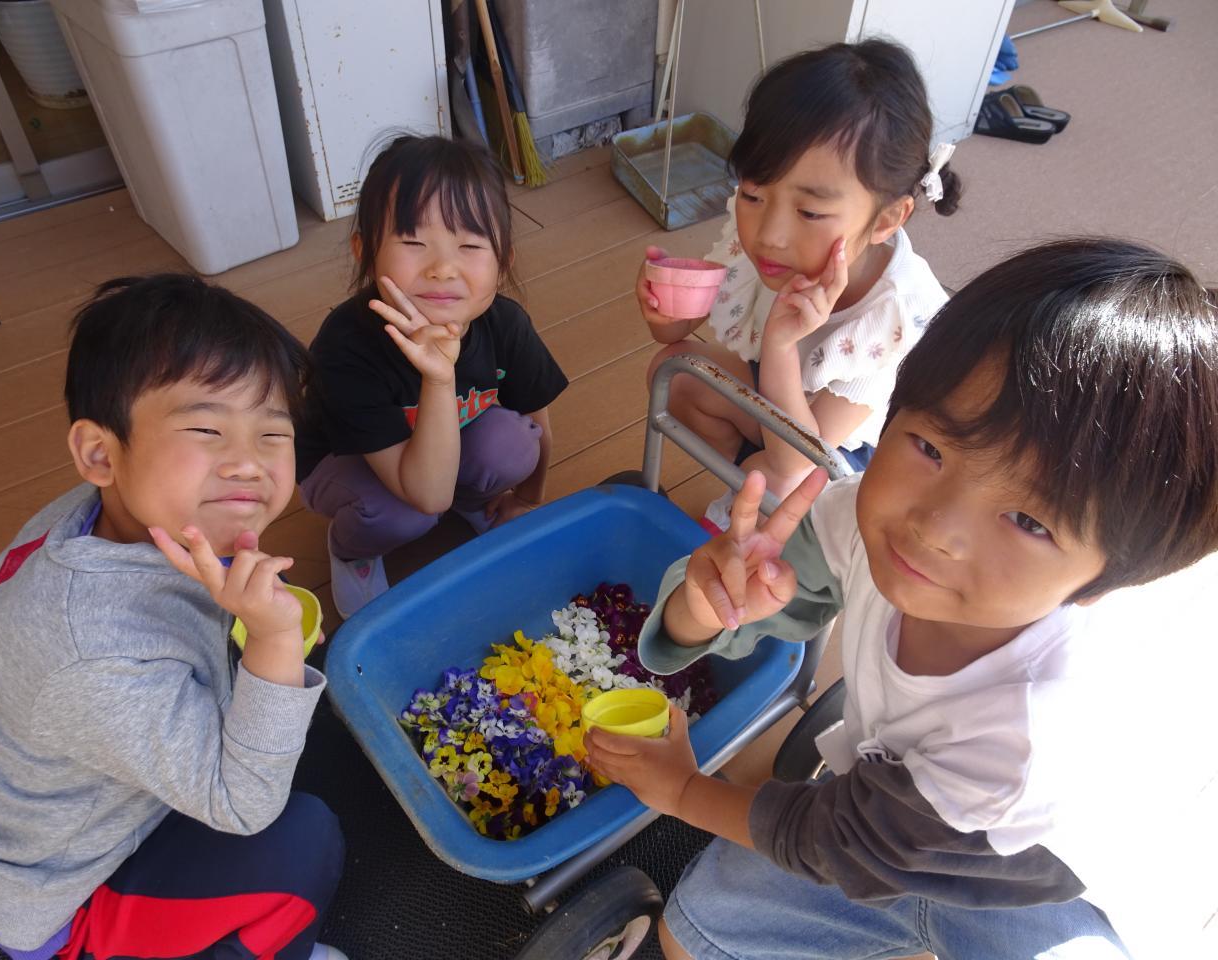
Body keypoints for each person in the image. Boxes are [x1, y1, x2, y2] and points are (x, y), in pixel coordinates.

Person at [589, 239, 1218, 960]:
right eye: (931, 448)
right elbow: (735, 617)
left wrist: (682, 793)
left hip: (1025, 875)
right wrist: (707, 603)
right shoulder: (857, 521)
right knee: (692, 934)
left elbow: (836, 841)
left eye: (1028, 520)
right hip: (886, 808)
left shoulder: (1029, 733)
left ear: (1108, 580)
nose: (933, 528)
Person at [0, 275, 348, 960]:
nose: (248, 464)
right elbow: (243, 803)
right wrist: (276, 639)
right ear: (100, 453)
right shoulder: (90, 652)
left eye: (272, 434)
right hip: (70, 892)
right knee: (305, 841)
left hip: (39, 812)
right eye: (207, 429)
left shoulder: (103, 516)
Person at [637, 40, 958, 532]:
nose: (770, 234)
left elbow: (801, 461)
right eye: (752, 194)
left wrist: (781, 344)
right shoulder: (766, 234)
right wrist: (665, 309)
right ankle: (745, 483)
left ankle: (766, 526)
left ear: (885, 220)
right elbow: (675, 333)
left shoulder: (895, 318)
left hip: (844, 464)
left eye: (809, 212)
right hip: (779, 406)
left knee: (780, 479)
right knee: (676, 370)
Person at [296, 135, 569, 618]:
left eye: (470, 245)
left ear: (503, 261)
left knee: (514, 443)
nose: (443, 268)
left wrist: (528, 500)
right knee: (403, 512)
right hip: (343, 462)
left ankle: (470, 500)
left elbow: (536, 414)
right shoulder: (347, 346)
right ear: (365, 253)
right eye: (413, 242)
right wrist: (439, 379)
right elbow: (427, 496)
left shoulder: (503, 323)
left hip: (438, 451)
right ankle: (352, 548)